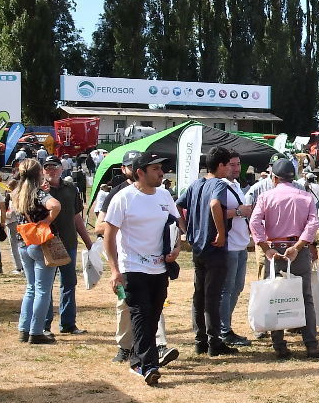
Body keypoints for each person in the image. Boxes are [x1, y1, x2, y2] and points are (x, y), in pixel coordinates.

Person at [104, 152, 183, 385]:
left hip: (160, 268)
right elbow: (109, 236)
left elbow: (176, 224)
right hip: (133, 267)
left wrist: (176, 248)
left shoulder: (164, 195)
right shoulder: (123, 198)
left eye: (162, 168)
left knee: (153, 314)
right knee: (140, 314)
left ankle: (138, 361)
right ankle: (148, 366)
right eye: (156, 169)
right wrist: (114, 270)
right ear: (140, 172)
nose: (161, 173)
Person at [249, 158, 319, 360]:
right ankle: (311, 344)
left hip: (275, 250)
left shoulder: (265, 197)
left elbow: (254, 222)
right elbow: (313, 224)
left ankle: (279, 345)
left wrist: (265, 247)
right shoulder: (306, 197)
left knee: (275, 296)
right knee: (305, 297)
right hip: (297, 250)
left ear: (274, 177)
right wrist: (299, 246)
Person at [176, 146, 245, 356]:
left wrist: (186, 229)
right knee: (213, 296)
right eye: (228, 165)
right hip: (214, 247)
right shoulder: (218, 184)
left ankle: (200, 340)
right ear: (221, 165)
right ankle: (215, 342)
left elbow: (177, 205)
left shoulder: (197, 183)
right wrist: (221, 232)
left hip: (197, 246)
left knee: (199, 295)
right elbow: (216, 204)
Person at [41, 156, 95, 335]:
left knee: (69, 283)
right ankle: (45, 324)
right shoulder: (40, 191)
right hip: (47, 243)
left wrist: (88, 241)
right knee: (46, 285)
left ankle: (68, 324)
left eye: (54, 167)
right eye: (47, 167)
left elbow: (76, 217)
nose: (51, 170)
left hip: (69, 242)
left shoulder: (71, 188)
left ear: (61, 169)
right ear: (43, 171)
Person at [11, 160, 62, 344]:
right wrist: (47, 222)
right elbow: (55, 205)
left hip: (23, 242)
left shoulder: (16, 193)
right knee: (43, 290)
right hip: (40, 243)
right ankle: (37, 331)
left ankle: (24, 329)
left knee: (31, 288)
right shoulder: (38, 193)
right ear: (39, 172)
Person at [220, 154, 254, 346]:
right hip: (229, 246)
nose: (236, 168)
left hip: (240, 245)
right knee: (227, 290)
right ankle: (224, 330)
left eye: (238, 164)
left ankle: (225, 326)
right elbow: (213, 211)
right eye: (231, 164)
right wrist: (240, 212)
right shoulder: (220, 186)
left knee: (237, 288)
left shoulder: (236, 186)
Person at [4, 177, 25, 274]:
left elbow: (5, 208)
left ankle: (18, 266)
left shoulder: (10, 195)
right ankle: (25, 265)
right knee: (24, 243)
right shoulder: (23, 194)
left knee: (14, 245)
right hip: (22, 222)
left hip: (12, 221)